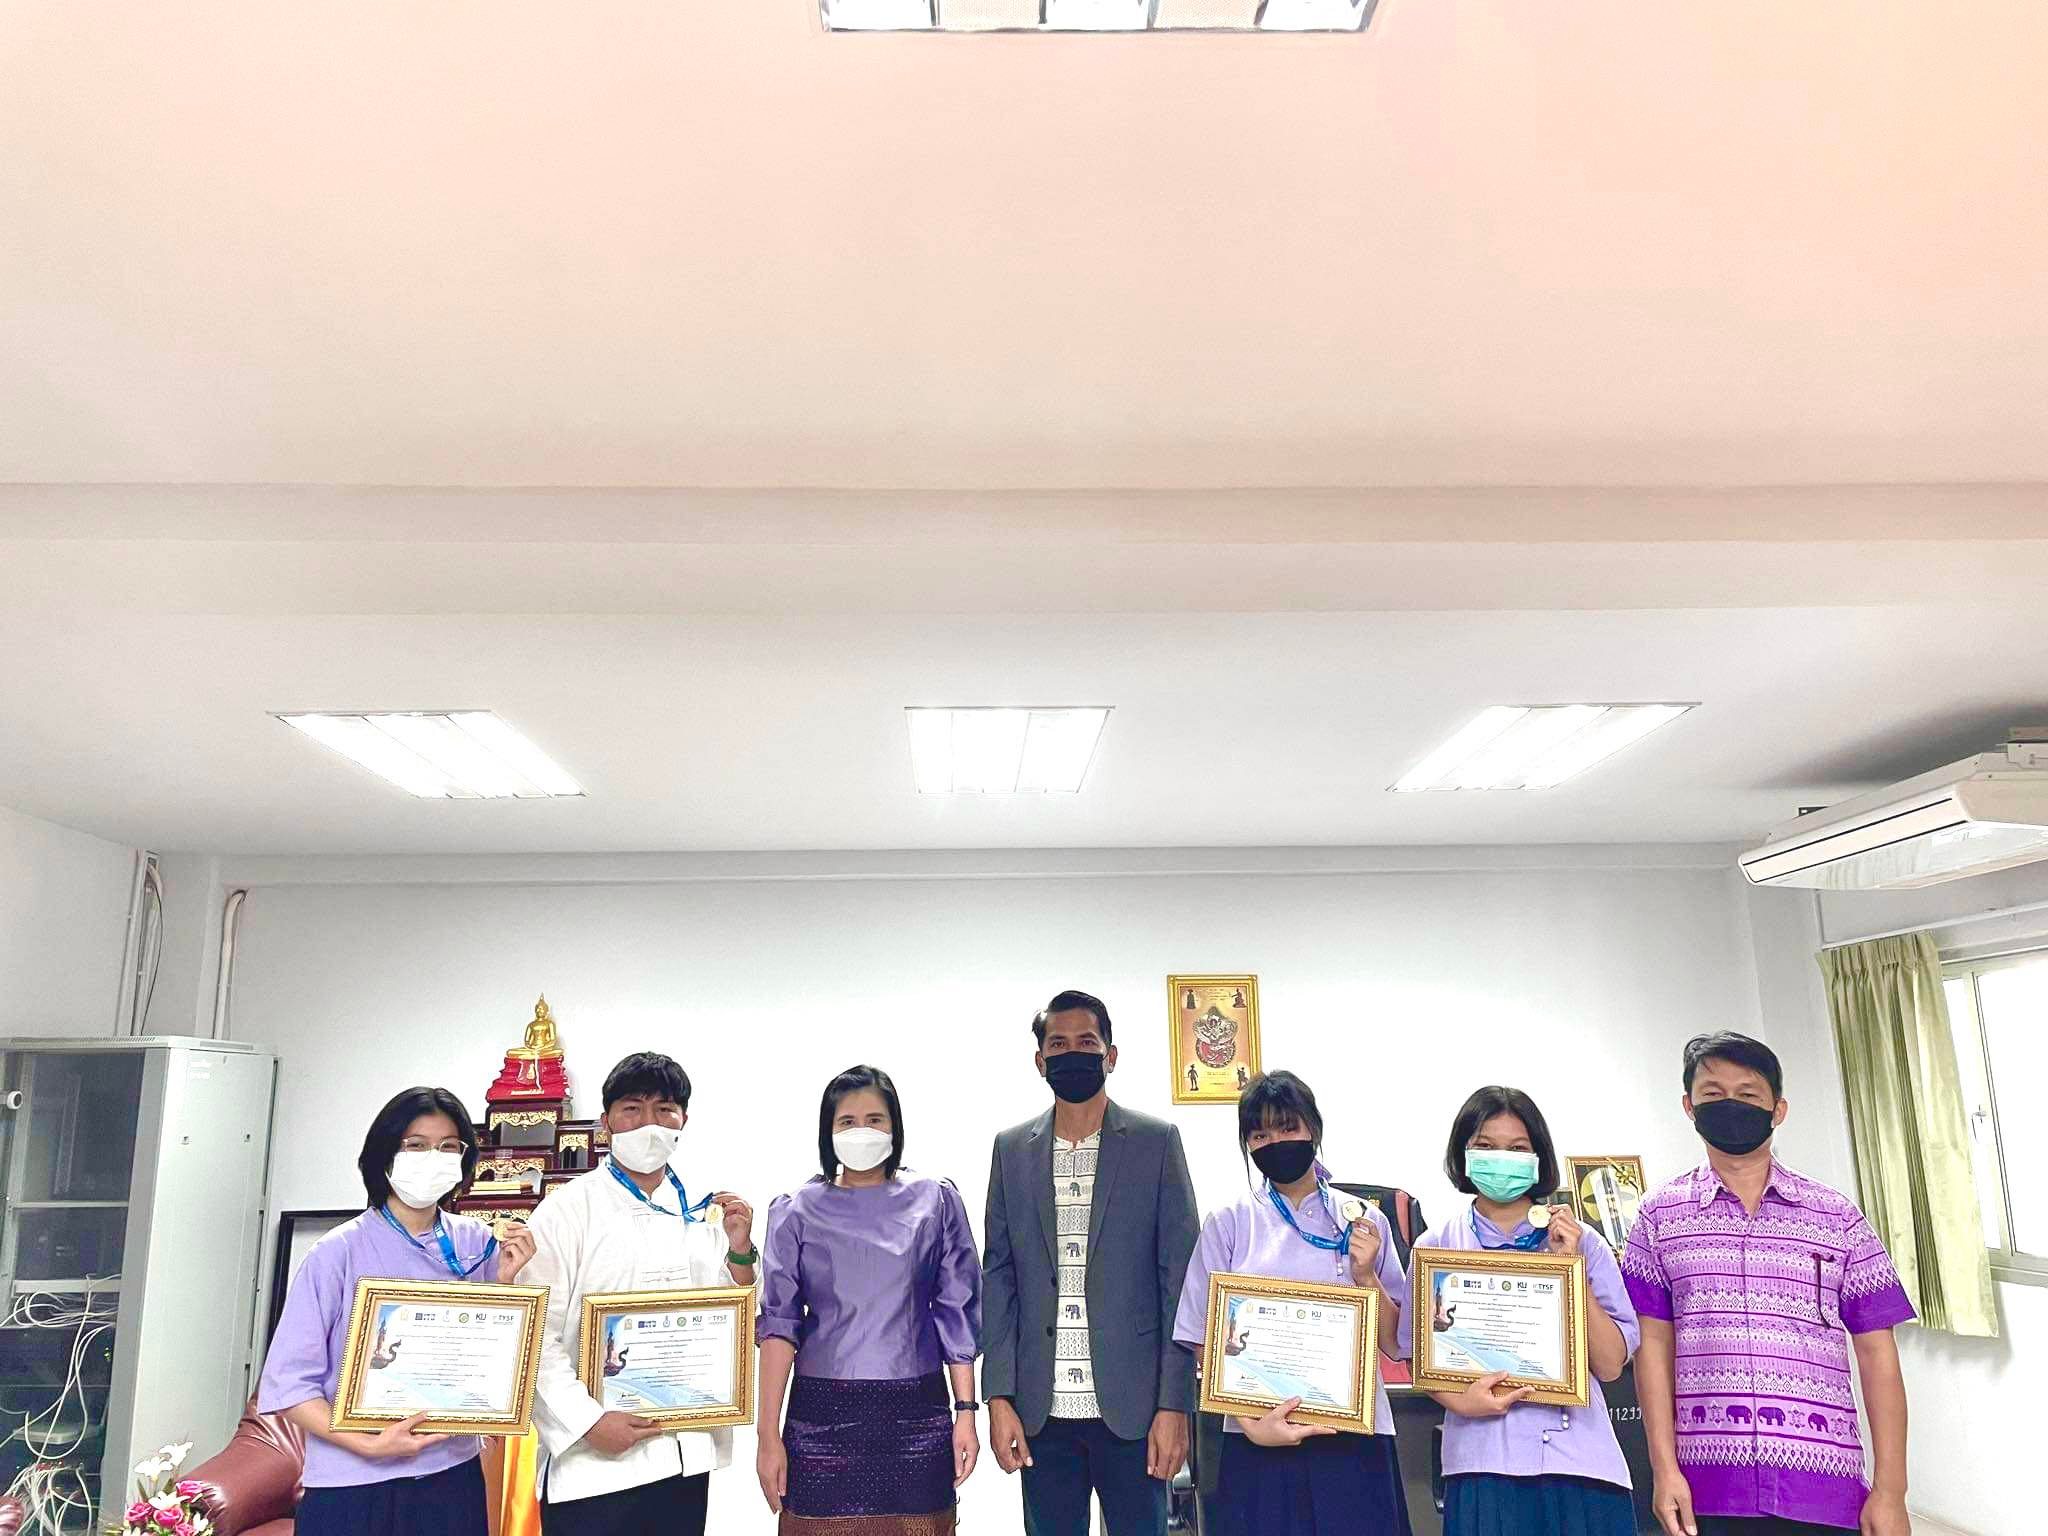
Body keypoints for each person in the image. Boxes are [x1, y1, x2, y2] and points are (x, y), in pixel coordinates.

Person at [1622, 1033, 1914, 1536]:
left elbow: (1877, 1354)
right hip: (1707, 1484)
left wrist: (1891, 1491)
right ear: (1689, 1106)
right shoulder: (1657, 1217)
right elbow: (1653, 1347)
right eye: (1713, 1093)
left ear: (1778, 1110)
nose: (1730, 1105)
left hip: (1823, 1483)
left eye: (1748, 1094)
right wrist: (1664, 1469)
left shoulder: (1837, 1216)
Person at [257, 1086, 537, 1536]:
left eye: (448, 1147)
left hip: (451, 1476)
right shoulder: (336, 1252)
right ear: (385, 1155)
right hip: (353, 1486)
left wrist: (506, 1287)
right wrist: (368, 1446)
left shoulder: (478, 1243)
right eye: (416, 1146)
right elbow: (288, 1387)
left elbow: (496, 1365)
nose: (433, 1157)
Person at [981, 991, 1200, 1536]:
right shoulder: (1011, 1149)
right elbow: (999, 1278)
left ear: (1111, 1055)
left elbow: (1181, 1284)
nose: (1072, 1053)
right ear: (1040, 1061)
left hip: (1135, 1409)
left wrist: (1175, 1405)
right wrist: (998, 1396)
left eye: (1086, 1042)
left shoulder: (1156, 1143)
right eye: (1058, 1045)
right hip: (1042, 1410)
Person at [522, 1052, 758, 1536]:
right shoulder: (566, 1211)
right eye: (632, 1108)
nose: (649, 1123)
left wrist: (741, 1251)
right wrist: (588, 1423)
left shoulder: (704, 1211)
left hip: (682, 1457)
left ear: (683, 1120)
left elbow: (731, 1322)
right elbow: (535, 1333)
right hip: (592, 1467)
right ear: (606, 1122)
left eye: (664, 1109)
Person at [1172, 1070, 1411, 1536]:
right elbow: (1203, 1337)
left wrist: (1366, 1276)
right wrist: (1252, 1424)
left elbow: (1396, 1342)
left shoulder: (1366, 1219)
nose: (1275, 1142)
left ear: (1313, 1130)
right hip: (1259, 1439)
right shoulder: (1229, 1223)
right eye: (1260, 1135)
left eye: (1287, 1128)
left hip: (1355, 1436)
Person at [1398, 1086, 1640, 1536]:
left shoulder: (1583, 1241)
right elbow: (1420, 1357)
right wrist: (1461, 1402)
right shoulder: (1436, 1248)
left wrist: (1570, 1269)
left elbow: (1610, 1365)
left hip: (1580, 1463)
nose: (1501, 1158)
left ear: (1538, 1158)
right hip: (1483, 1462)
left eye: (1517, 1148)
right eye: (1485, 1146)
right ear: (1463, 1154)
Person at [755, 1065, 982, 1533]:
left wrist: (966, 1413)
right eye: (848, 1121)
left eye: (875, 1120)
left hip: (916, 1414)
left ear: (894, 1127)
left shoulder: (935, 1201)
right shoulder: (795, 1210)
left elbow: (956, 1310)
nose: (862, 1131)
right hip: (821, 1416)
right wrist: (766, 1435)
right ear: (828, 1131)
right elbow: (779, 1325)